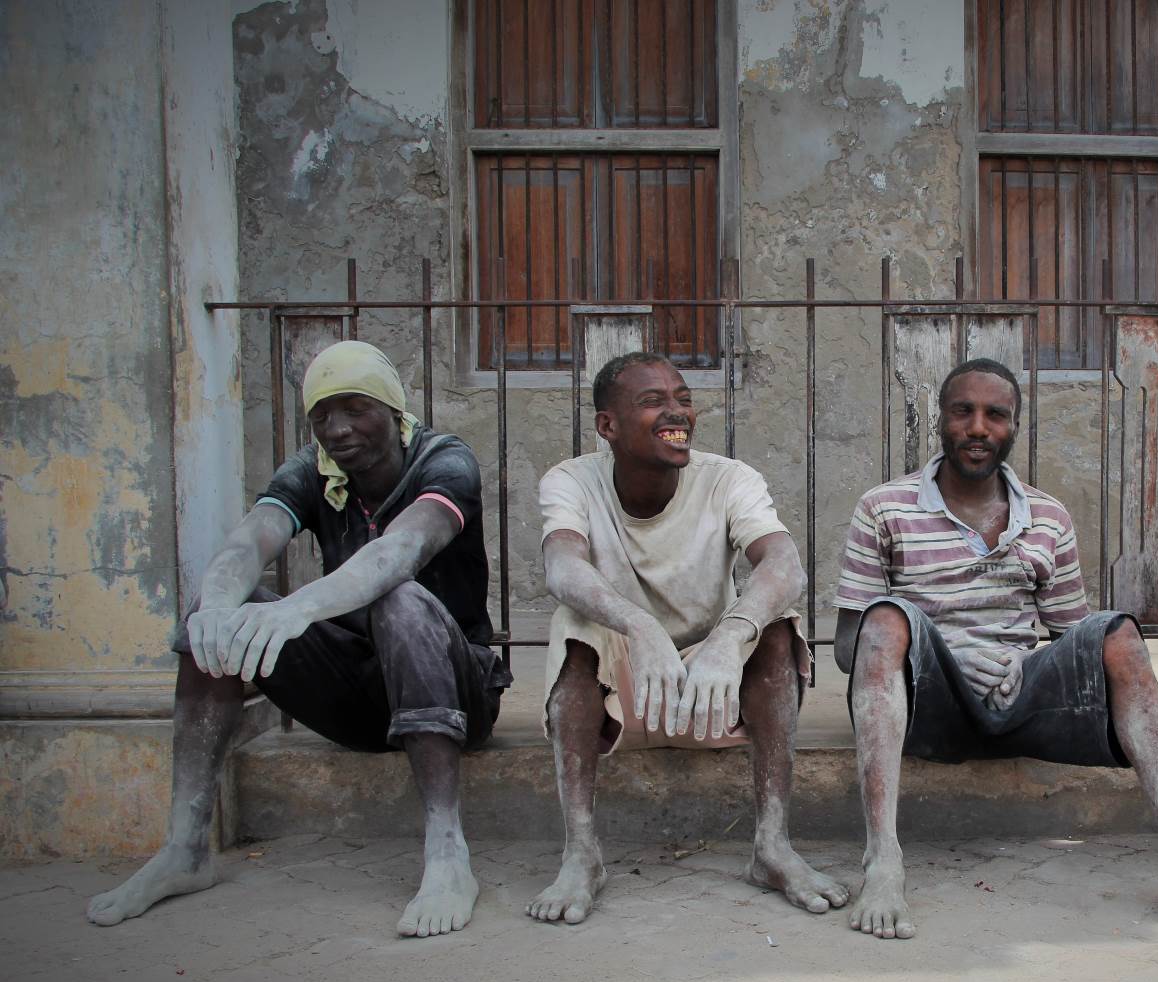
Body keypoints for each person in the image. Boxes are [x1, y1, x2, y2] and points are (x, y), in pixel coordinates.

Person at [87, 340, 511, 936]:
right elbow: (250, 541)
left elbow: (400, 553)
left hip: (455, 695)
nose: (336, 430)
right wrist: (215, 607)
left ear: (393, 410)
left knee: (399, 598)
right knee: (214, 616)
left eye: (355, 409)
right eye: (321, 415)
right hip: (361, 700)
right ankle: (186, 850)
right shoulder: (310, 469)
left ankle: (447, 855)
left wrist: (300, 607)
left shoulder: (445, 461)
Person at [834, 358, 1158, 944]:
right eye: (963, 412)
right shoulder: (884, 507)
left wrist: (1025, 665)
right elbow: (851, 649)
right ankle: (883, 861)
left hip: (1021, 699)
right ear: (941, 423)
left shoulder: (1047, 516)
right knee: (883, 621)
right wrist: (945, 651)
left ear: (1013, 427)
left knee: (1121, 635)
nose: (978, 427)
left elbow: (1072, 641)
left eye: (995, 415)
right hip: (931, 708)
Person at [528, 351, 846, 924]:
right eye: (653, 402)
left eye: (683, 398)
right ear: (607, 426)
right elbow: (562, 568)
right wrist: (638, 624)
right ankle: (582, 853)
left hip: (711, 690)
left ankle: (772, 846)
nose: (677, 413)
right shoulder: (571, 480)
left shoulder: (728, 479)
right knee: (574, 623)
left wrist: (729, 638)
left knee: (774, 629)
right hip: (622, 691)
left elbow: (784, 565)